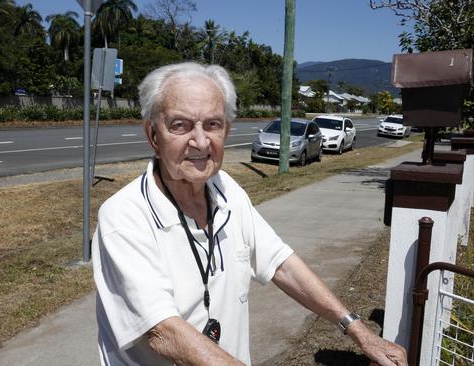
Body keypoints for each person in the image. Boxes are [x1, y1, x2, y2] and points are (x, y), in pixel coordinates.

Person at [92, 62, 407, 366]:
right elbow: (162, 331)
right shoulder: (124, 216)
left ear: (226, 131)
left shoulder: (225, 189)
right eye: (180, 125)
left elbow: (283, 265)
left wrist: (359, 332)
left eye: (213, 124)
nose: (200, 141)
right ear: (153, 136)